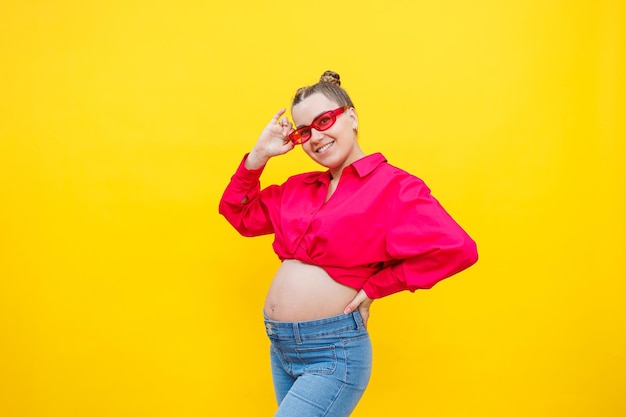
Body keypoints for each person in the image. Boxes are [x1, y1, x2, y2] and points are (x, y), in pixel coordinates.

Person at [219, 70, 478, 417]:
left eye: (324, 120)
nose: (316, 137)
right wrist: (259, 156)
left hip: (333, 352)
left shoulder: (394, 187)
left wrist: (378, 286)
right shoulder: (298, 188)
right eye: (304, 131)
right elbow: (237, 213)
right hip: (281, 348)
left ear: (352, 117)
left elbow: (458, 249)